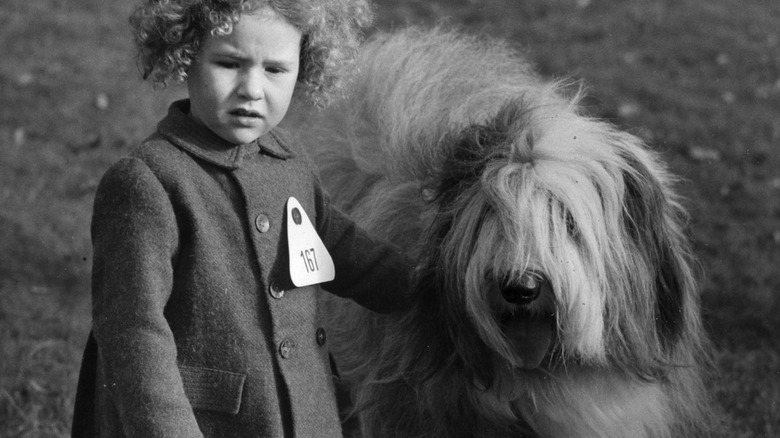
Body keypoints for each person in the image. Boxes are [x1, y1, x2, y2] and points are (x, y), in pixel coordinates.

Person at [71, 0, 412, 436]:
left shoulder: (288, 164)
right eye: (230, 63)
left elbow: (344, 252)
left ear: (305, 68)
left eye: (275, 69)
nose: (252, 88)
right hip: (203, 424)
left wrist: (430, 290)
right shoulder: (148, 182)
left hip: (307, 417)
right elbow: (134, 334)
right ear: (185, 54)